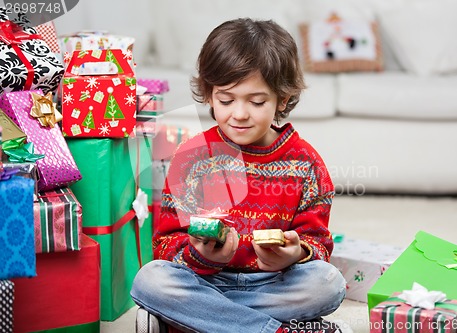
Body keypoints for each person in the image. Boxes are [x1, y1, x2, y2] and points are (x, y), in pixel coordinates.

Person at [131, 17, 349, 333]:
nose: (240, 113)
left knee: (328, 283)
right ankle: (276, 329)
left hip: (273, 284)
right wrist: (199, 253)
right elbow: (165, 244)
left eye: (257, 101)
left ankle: (197, 320)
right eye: (226, 99)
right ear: (209, 95)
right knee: (150, 280)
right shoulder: (193, 156)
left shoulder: (306, 163)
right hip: (206, 280)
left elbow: (319, 244)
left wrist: (295, 253)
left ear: (282, 100)